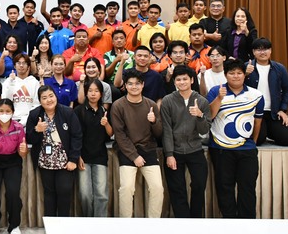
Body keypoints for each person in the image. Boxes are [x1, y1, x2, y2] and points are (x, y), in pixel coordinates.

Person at [206, 59, 263, 218]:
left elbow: (258, 121)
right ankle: (229, 222)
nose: (236, 76)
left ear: (245, 75)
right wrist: (219, 98)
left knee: (247, 188)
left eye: (239, 73)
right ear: (225, 75)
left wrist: (253, 142)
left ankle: (247, 222)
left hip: (247, 149)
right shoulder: (215, 91)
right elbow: (210, 116)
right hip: (221, 149)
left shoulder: (256, 95)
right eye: (232, 73)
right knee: (224, 188)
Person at [110, 69, 163, 218]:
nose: (134, 87)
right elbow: (119, 135)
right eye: (130, 84)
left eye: (137, 83)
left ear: (143, 85)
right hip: (128, 151)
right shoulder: (118, 105)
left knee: (157, 188)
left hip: (148, 149)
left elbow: (159, 133)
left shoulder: (151, 104)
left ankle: (153, 223)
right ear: (125, 86)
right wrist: (134, 156)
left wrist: (154, 121)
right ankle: (126, 223)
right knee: (126, 188)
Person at [160, 65, 211, 218]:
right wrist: (169, 154)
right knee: (177, 189)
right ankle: (182, 222)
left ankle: (195, 220)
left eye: (185, 79)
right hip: (175, 151)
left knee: (199, 185)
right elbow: (166, 129)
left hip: (195, 149)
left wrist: (200, 116)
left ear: (192, 80)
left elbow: (204, 130)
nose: (182, 82)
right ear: (174, 82)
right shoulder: (168, 100)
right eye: (178, 79)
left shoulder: (201, 101)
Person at [26, 85, 82, 217]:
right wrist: (37, 130)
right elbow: (29, 138)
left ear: (56, 96)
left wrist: (73, 159)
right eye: (44, 98)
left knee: (64, 191)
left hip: (65, 162)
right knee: (49, 194)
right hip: (45, 161)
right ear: (40, 101)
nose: (49, 100)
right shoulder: (35, 114)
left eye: (51, 96)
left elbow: (77, 136)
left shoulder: (67, 112)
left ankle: (63, 225)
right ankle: (50, 225)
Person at [0, 99, 27, 234]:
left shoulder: (18, 128)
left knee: (13, 192)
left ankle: (14, 225)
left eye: (8, 111)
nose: (4, 114)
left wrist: (23, 150)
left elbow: (22, 153)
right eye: (1, 111)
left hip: (13, 162)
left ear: (13, 112)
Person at [74, 78, 112, 217]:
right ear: (86, 92)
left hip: (100, 156)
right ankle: (88, 220)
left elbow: (110, 133)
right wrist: (77, 156)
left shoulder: (104, 111)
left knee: (101, 194)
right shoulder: (78, 111)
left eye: (96, 91)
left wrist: (106, 124)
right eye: (90, 90)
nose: (93, 94)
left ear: (101, 94)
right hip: (83, 157)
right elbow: (75, 135)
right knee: (85, 194)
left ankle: (99, 222)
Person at [245, 38, 288, 146]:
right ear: (253, 52)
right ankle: (264, 131)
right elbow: (236, 87)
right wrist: (245, 74)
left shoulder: (279, 68)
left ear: (270, 51)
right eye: (259, 49)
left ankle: (269, 130)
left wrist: (283, 110)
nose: (262, 52)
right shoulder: (246, 67)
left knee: (287, 139)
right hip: (253, 113)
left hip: (273, 112)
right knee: (258, 140)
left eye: (265, 49)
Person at [2, 53, 41, 127]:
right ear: (14, 66)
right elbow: (5, 101)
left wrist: (25, 120)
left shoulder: (34, 82)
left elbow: (36, 104)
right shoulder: (8, 81)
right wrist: (11, 83)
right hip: (12, 121)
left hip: (30, 121)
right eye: (18, 63)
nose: (21, 65)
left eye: (24, 63)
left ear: (28, 67)